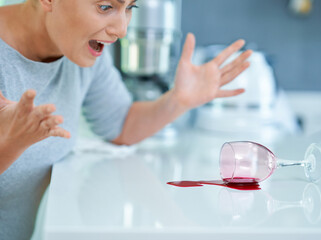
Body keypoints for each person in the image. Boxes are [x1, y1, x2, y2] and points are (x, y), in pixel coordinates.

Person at [0, 0, 252, 175]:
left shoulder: (83, 50)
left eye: (129, 8)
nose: (121, 30)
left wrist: (178, 100)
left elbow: (121, 124)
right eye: (105, 7)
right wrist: (13, 142)